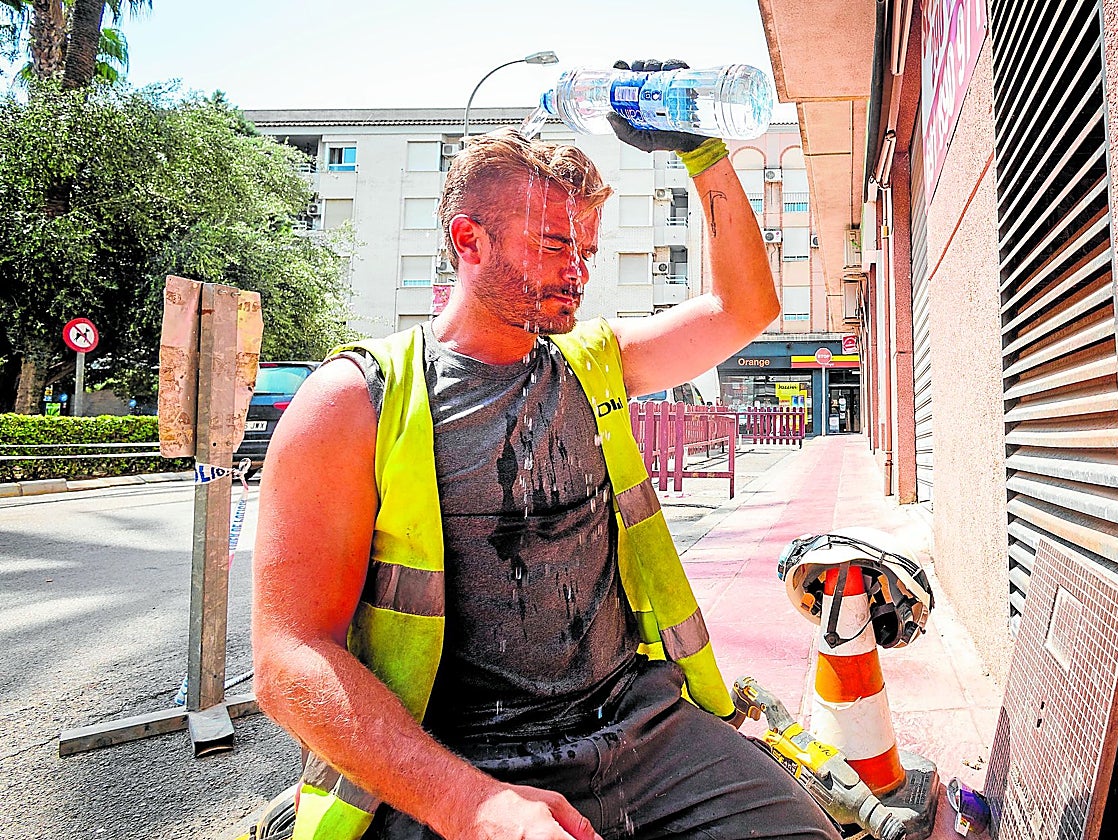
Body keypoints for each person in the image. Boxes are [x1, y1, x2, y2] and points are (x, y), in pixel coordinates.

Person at [252, 61, 839, 840]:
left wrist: (702, 152)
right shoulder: (356, 401)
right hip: (453, 758)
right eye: (557, 245)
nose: (580, 273)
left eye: (588, 250)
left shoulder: (594, 362)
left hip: (641, 725)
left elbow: (746, 307)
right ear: (470, 240)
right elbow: (288, 659)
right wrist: (473, 803)